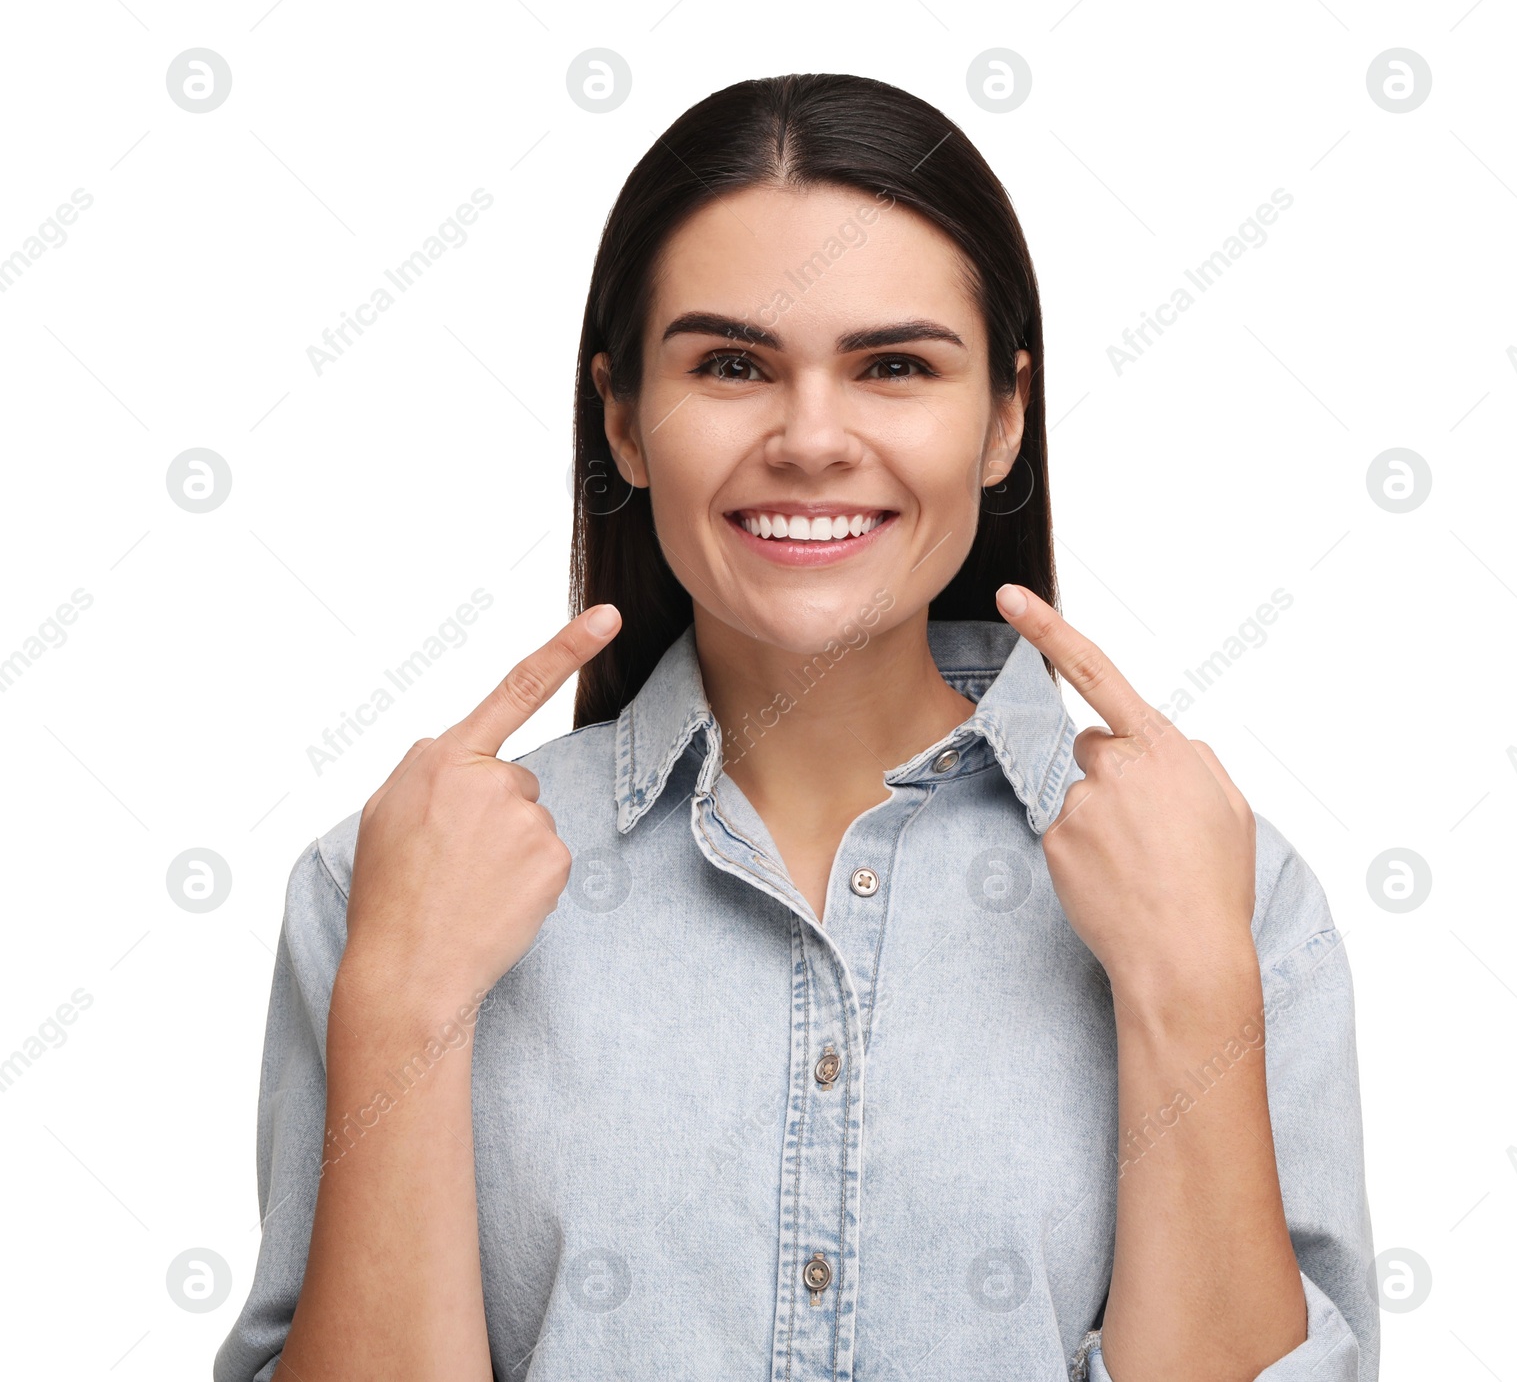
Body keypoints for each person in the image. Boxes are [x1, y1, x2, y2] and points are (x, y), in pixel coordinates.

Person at [216, 73, 1375, 1382]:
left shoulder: (1233, 889)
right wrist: (404, 1003)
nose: (811, 439)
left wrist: (1186, 987)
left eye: (892, 366)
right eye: (730, 365)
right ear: (622, 418)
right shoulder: (389, 887)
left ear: (1004, 416)